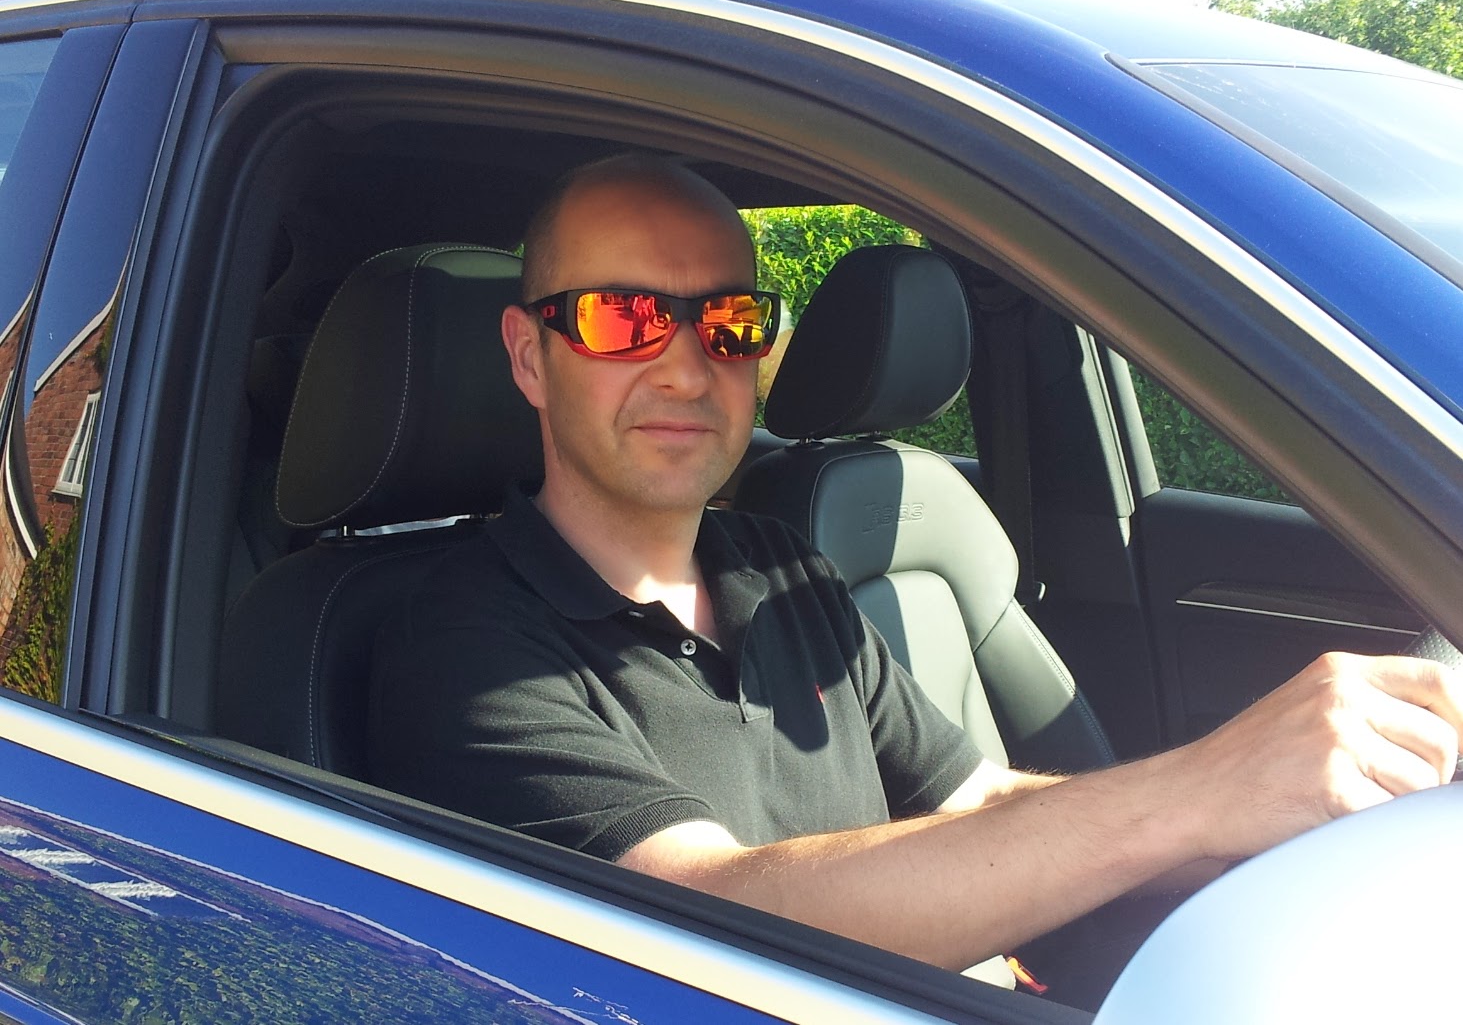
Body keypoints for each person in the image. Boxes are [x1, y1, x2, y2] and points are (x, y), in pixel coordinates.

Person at [370, 154, 1462, 982]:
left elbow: (975, 800)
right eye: (623, 318)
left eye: (730, 321)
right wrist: (1196, 788)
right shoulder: (461, 645)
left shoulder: (781, 570)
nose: (687, 369)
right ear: (528, 355)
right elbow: (707, 917)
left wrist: (1279, 835)